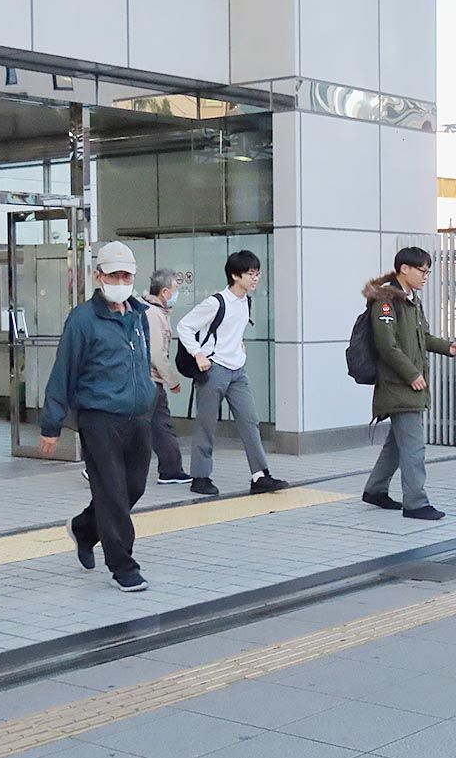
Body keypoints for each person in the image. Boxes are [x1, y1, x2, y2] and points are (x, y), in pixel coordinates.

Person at [41, 241, 155, 592]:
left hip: (138, 416)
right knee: (112, 492)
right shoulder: (83, 320)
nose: (120, 281)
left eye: (126, 276)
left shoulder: (139, 315)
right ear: (98, 276)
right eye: (113, 275)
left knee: (133, 488)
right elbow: (64, 371)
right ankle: (123, 566)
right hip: (100, 418)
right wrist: (51, 424)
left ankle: (84, 528)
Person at [361, 246, 456, 520]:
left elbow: (423, 337)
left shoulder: (411, 300)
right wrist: (412, 374)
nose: (426, 276)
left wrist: (449, 348)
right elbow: (386, 345)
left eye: (428, 271)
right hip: (398, 384)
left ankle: (375, 490)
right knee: (414, 447)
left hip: (408, 384)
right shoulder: (385, 301)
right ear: (404, 269)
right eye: (422, 270)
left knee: (397, 444)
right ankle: (416, 503)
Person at [177, 250, 286, 497]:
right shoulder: (216, 302)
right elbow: (184, 326)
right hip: (214, 369)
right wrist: (198, 354)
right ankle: (200, 477)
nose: (256, 278)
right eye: (251, 273)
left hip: (238, 371)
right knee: (206, 424)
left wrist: (238, 345)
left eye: (257, 273)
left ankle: (260, 476)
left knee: (250, 421)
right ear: (235, 275)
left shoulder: (247, 301)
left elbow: (232, 330)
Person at [142, 269, 193, 485]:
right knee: (133, 428)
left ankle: (171, 469)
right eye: (175, 289)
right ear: (164, 292)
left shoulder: (159, 311)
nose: (176, 294)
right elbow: (156, 353)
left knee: (161, 425)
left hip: (154, 380)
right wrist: (172, 379)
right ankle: (98, 467)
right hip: (148, 380)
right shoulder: (152, 314)